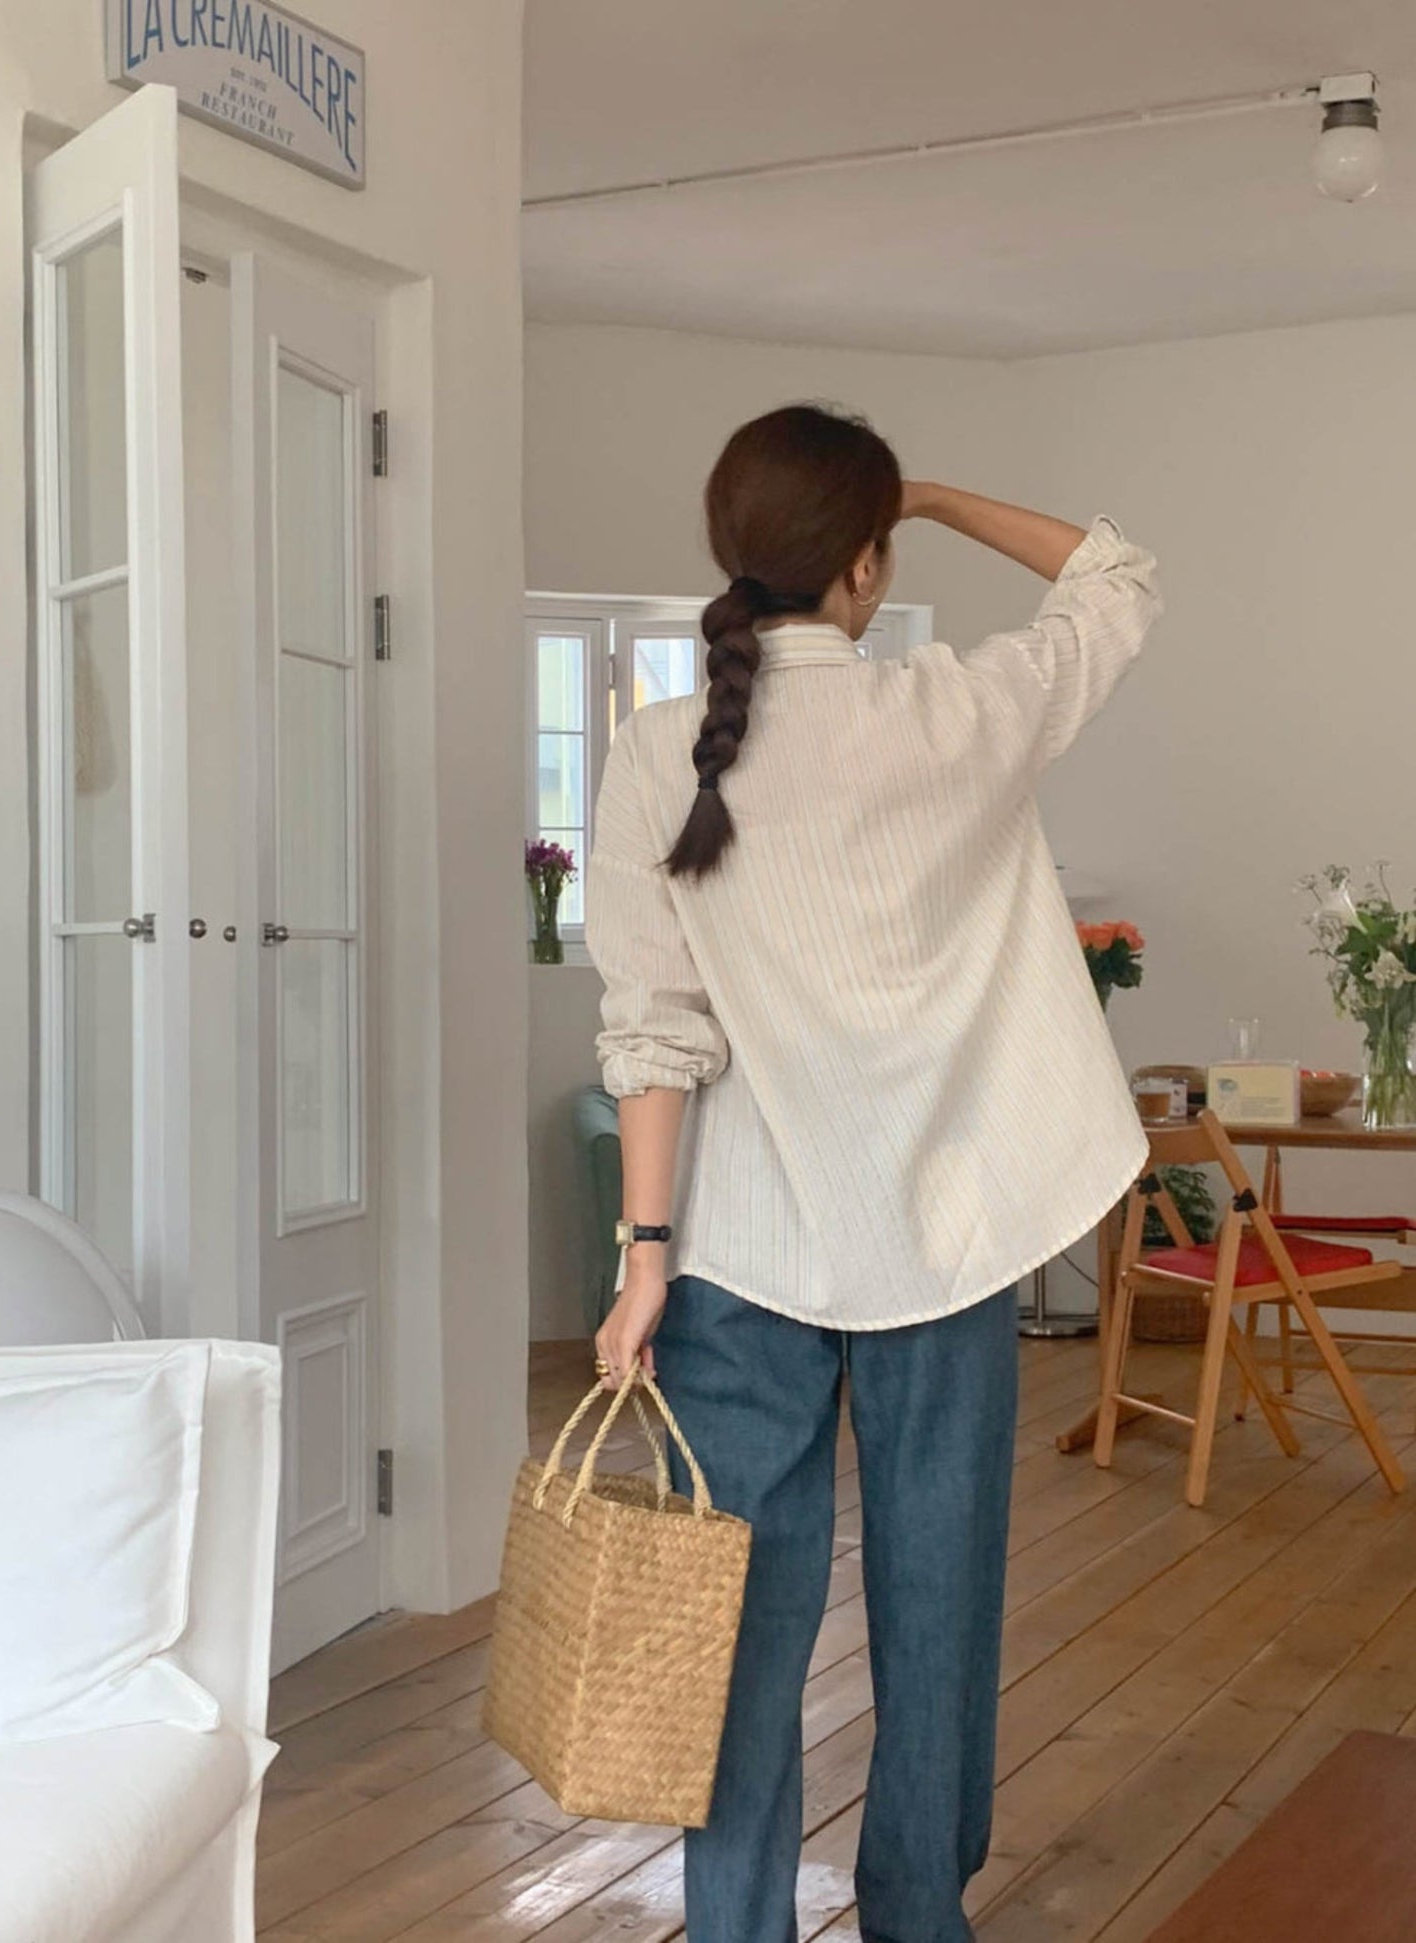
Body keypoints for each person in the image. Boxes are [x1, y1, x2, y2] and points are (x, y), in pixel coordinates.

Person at [585, 402, 1161, 1943]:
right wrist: (934, 494)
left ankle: (737, 1928)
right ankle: (917, 1916)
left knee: (736, 1637)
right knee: (938, 1607)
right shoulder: (958, 708)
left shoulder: (655, 750)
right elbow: (1115, 575)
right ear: (863, 561)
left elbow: (652, 1034)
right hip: (949, 1245)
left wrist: (641, 1260)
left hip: (736, 1262)